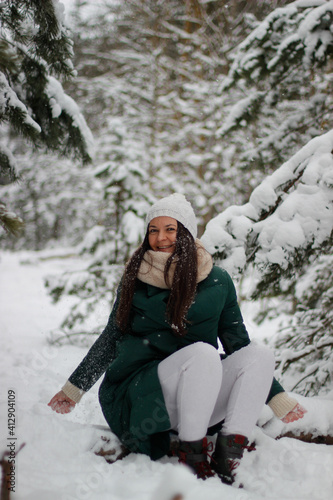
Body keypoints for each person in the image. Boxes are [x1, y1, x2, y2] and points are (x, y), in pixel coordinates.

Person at [48, 193, 306, 484]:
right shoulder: (135, 279)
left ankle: (228, 457)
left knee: (260, 354)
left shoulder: (218, 281)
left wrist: (278, 397)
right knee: (203, 353)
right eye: (153, 230)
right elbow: (112, 336)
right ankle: (192, 457)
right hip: (144, 397)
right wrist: (73, 389)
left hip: (199, 395)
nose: (161, 238)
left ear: (186, 232)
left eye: (170, 229)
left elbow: (238, 344)